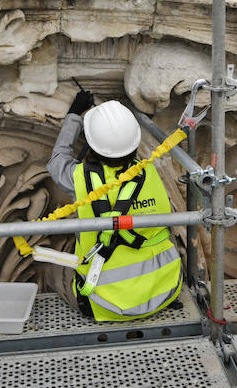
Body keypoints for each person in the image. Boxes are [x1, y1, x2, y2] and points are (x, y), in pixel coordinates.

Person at [47, 89, 182, 321]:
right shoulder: (149, 170)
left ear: (92, 144)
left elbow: (57, 159)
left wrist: (74, 115)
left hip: (105, 304)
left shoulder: (79, 178)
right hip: (165, 289)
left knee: (50, 270)